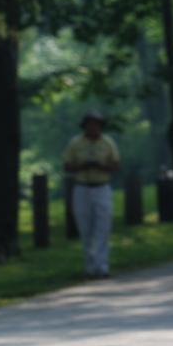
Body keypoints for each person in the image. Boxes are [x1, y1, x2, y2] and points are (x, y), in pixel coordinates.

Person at [63, 111, 120, 279]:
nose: (93, 127)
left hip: (101, 187)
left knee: (103, 227)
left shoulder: (108, 143)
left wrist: (99, 166)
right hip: (82, 188)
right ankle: (89, 266)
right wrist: (83, 166)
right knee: (85, 228)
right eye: (90, 124)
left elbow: (115, 165)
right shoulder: (75, 143)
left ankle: (102, 266)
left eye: (96, 124)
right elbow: (67, 166)